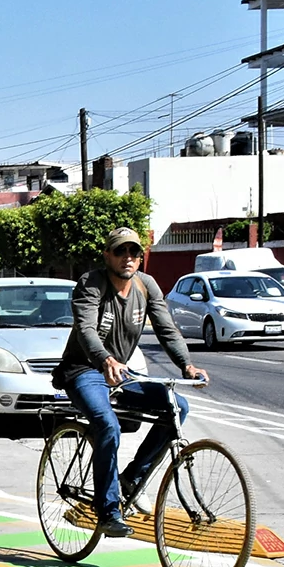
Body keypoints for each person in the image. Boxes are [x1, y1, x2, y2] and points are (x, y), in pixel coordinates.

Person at [53, 227, 209, 538]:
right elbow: (85, 330)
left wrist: (187, 365)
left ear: (140, 258)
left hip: (121, 373)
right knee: (107, 425)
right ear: (107, 255)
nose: (128, 257)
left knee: (177, 407)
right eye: (120, 251)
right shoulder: (91, 283)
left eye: (134, 252)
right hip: (84, 370)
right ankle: (108, 511)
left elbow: (167, 330)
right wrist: (105, 360)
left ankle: (132, 477)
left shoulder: (146, 286)